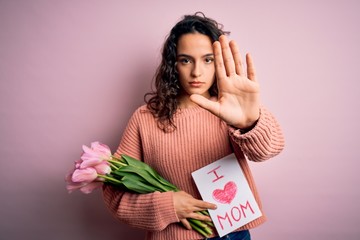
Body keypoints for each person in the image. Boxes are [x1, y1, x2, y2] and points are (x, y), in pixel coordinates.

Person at [103, 12, 285, 240]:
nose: (197, 72)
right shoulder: (145, 118)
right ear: (173, 64)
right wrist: (167, 205)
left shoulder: (230, 108)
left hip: (233, 234)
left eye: (207, 59)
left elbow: (269, 150)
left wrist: (249, 123)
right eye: (186, 60)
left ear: (218, 62)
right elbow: (115, 193)